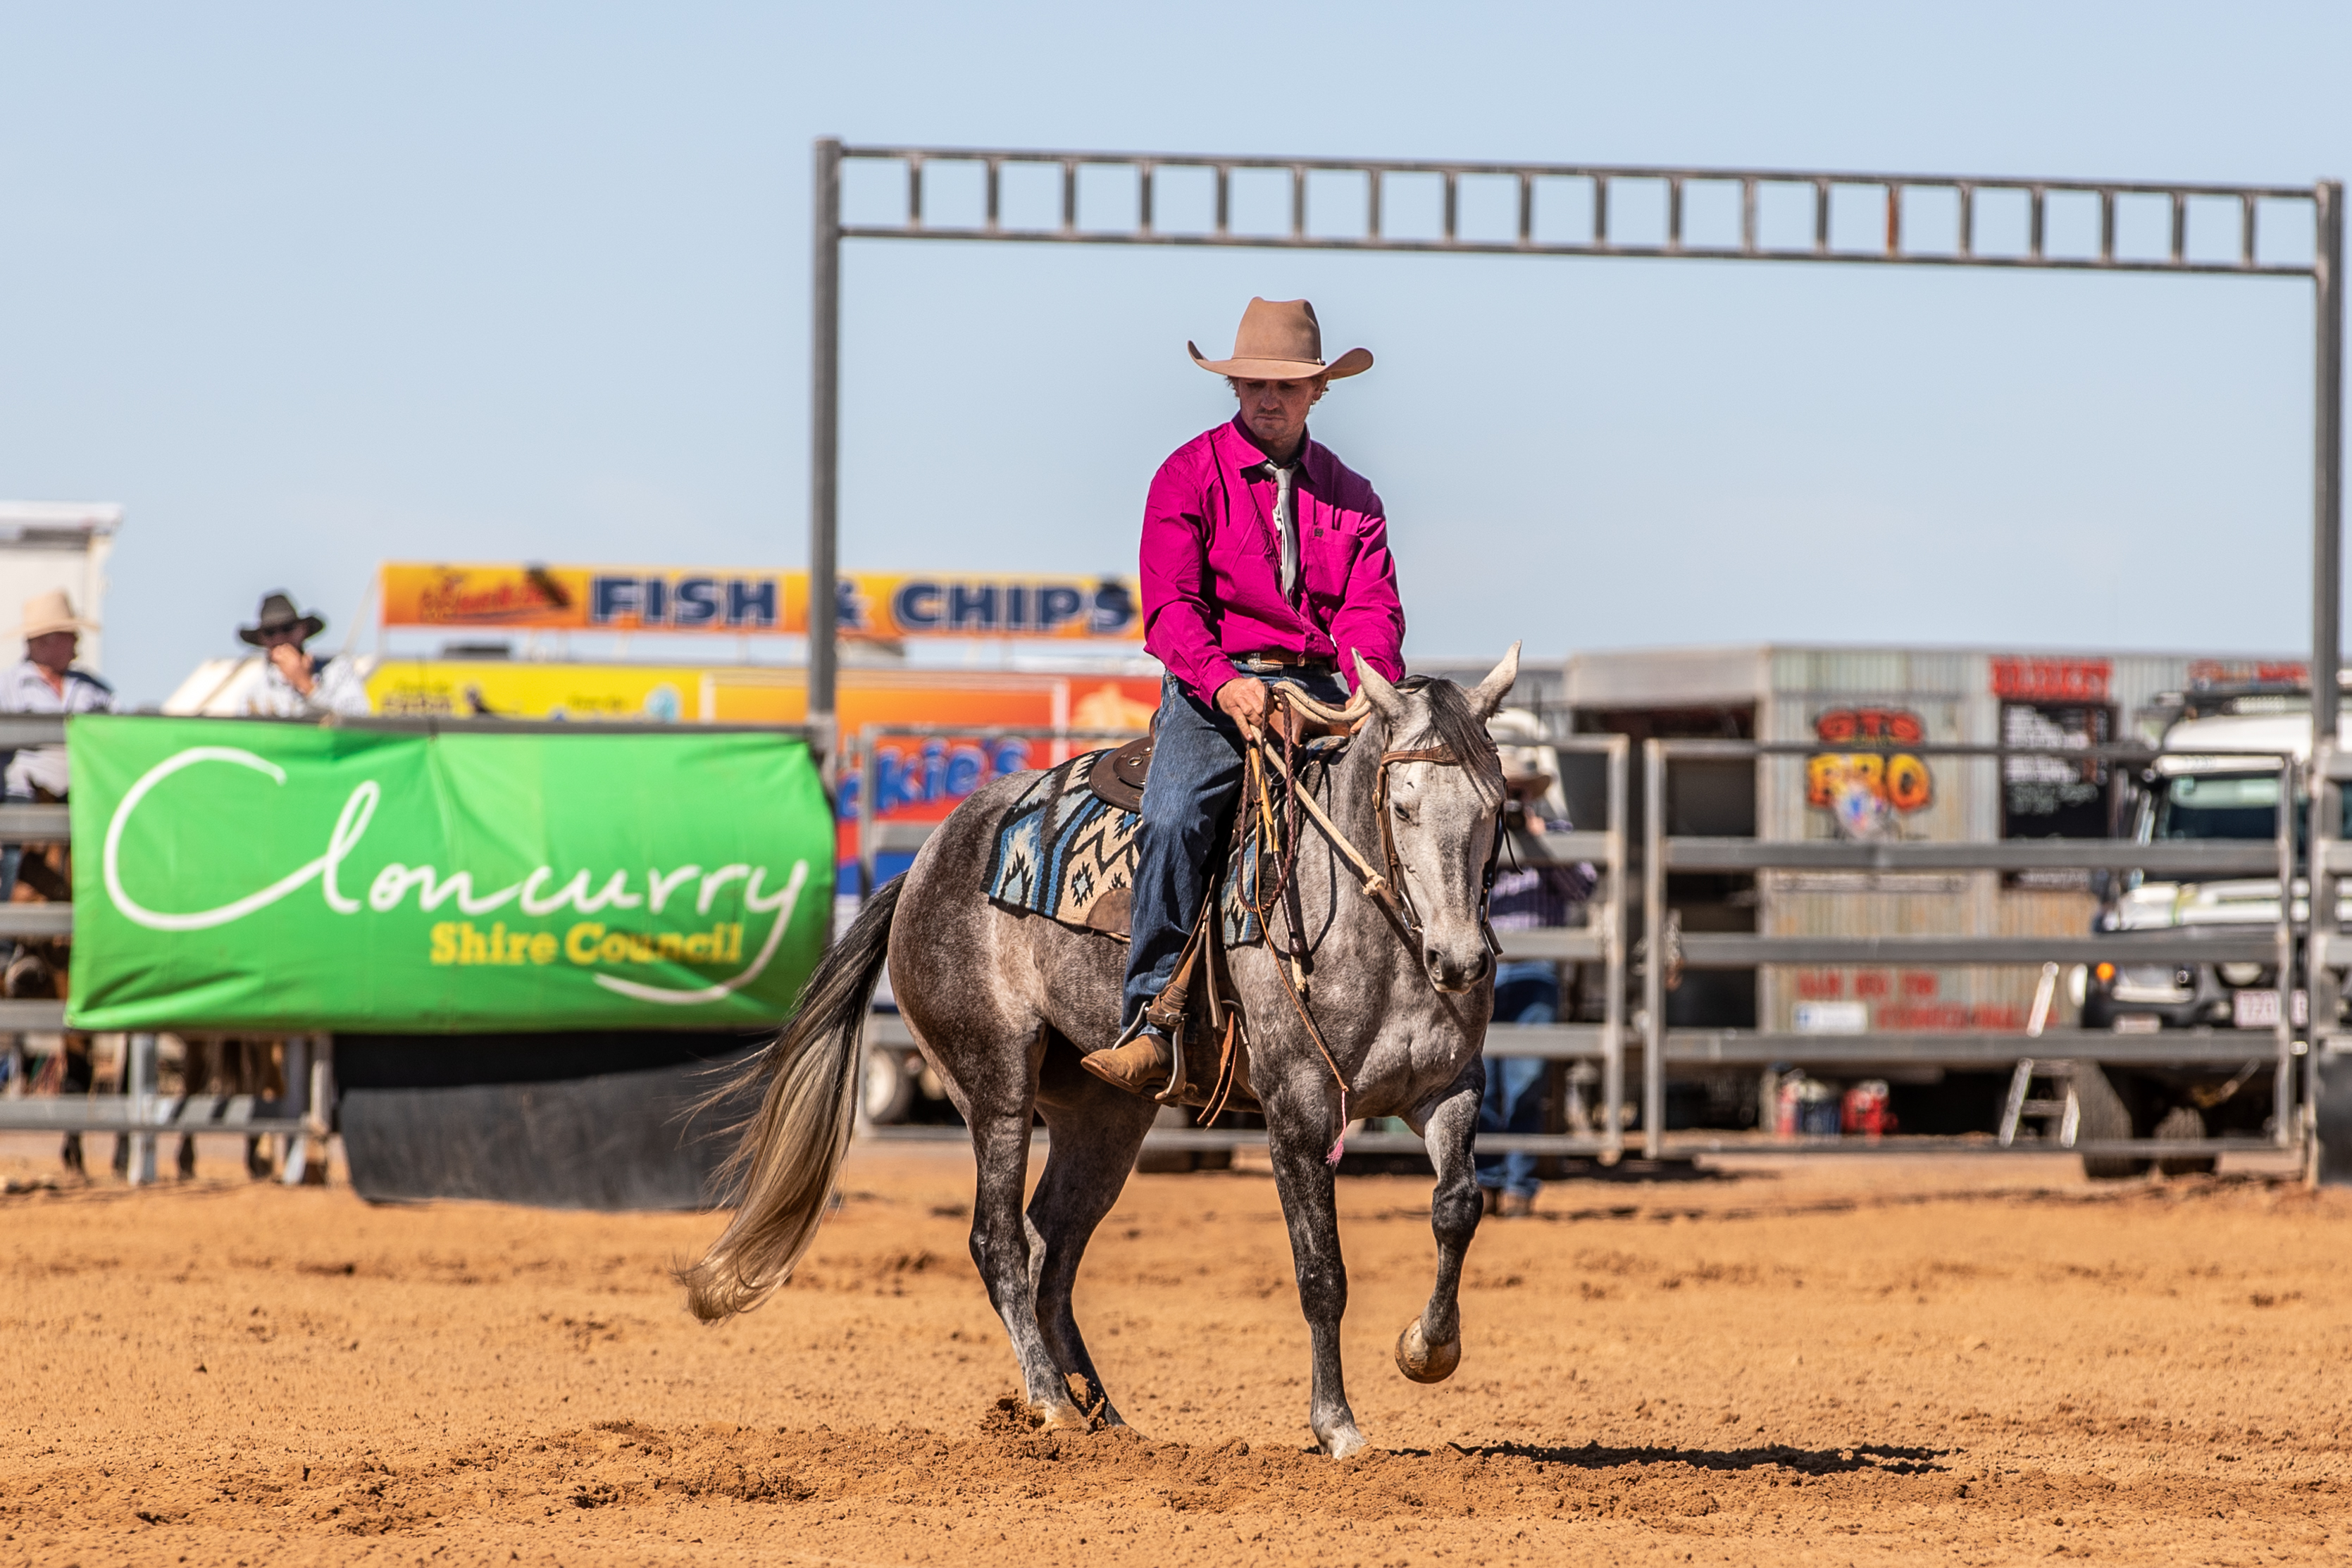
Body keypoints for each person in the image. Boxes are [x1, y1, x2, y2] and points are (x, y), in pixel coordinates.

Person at [1083, 297, 1405, 1095]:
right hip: (1212, 685)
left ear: (1318, 392)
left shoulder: (1354, 497)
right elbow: (1171, 607)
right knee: (1175, 816)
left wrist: (1364, 689)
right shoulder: (1187, 476)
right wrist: (1227, 684)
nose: (1269, 398)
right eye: (1255, 383)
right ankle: (1152, 1019)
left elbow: (1369, 610)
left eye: (1287, 385)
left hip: (1323, 690)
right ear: (1234, 387)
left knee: (1409, 806)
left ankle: (1412, 998)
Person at [1477, 709, 1593, 1217]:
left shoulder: (1556, 831)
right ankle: (1485, 1179)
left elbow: (1583, 886)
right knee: (1478, 1083)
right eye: (1507, 792)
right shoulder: (1474, 833)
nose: (1514, 802)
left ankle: (1520, 1184)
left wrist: (1540, 840)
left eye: (1520, 793)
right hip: (1480, 972)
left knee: (1526, 1081)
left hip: (1536, 970)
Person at [239, 592, 373, 718]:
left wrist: (306, 685)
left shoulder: (338, 671)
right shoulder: (253, 696)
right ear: (261, 639)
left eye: (287, 628)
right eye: (270, 632)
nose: (280, 639)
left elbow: (357, 721)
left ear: (303, 629)